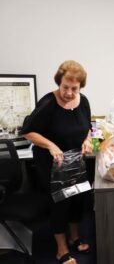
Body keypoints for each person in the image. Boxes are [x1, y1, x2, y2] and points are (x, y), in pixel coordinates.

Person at [22, 60, 93, 264]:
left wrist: (87, 140)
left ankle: (75, 236)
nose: (69, 93)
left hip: (75, 162)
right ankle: (61, 250)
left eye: (74, 88)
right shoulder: (48, 103)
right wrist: (50, 145)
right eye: (65, 87)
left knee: (79, 199)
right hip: (52, 163)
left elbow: (88, 127)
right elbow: (28, 131)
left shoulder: (84, 101)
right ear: (58, 83)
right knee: (60, 203)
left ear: (80, 86)